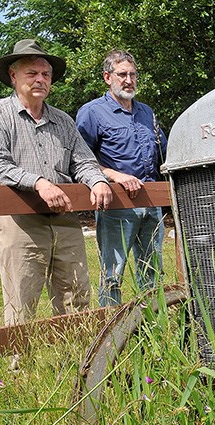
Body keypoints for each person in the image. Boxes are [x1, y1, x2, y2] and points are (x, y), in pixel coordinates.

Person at [0, 39, 112, 326]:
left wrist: (98, 181)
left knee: (76, 296)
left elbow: (84, 162)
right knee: (22, 299)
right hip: (18, 219)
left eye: (46, 74)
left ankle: (77, 359)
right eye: (32, 73)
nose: (40, 79)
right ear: (13, 76)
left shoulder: (63, 121)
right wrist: (39, 182)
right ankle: (17, 369)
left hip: (64, 220)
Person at [76, 49, 167, 306]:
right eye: (122, 74)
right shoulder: (92, 112)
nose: (129, 80)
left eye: (133, 74)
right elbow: (80, 160)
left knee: (152, 272)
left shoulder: (147, 113)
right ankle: (114, 335)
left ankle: (153, 329)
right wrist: (115, 175)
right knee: (112, 274)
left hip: (152, 205)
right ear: (107, 77)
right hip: (116, 206)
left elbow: (164, 155)